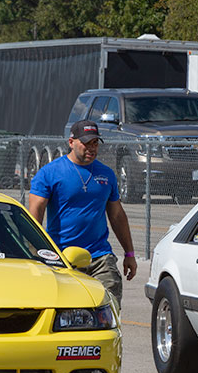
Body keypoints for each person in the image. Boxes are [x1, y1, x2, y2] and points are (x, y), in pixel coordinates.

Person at [28, 120, 138, 307]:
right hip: (62, 256)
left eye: (95, 143)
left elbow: (117, 215)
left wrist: (129, 253)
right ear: (71, 142)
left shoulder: (107, 174)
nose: (91, 148)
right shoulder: (50, 173)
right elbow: (35, 213)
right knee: (64, 309)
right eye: (86, 143)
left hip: (100, 256)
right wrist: (35, 252)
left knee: (108, 306)